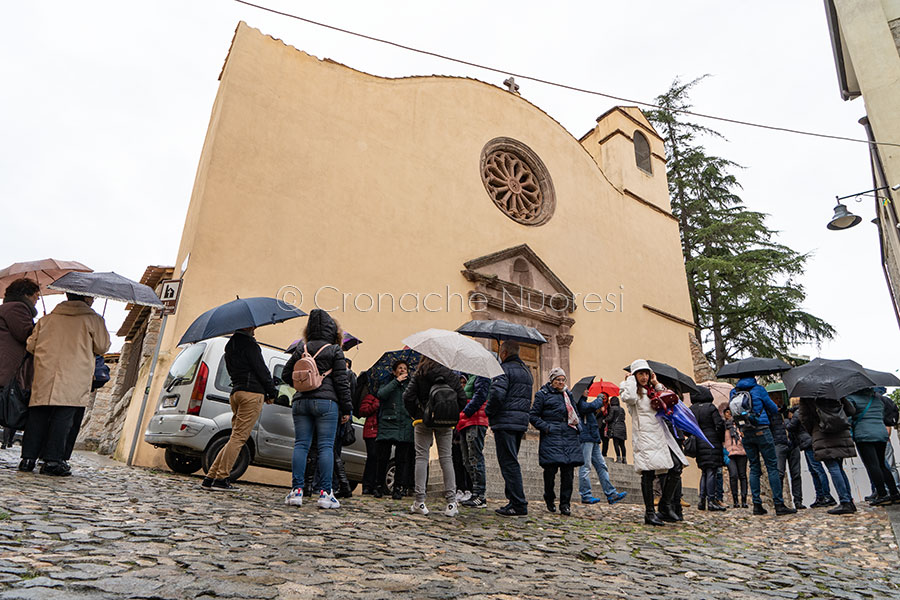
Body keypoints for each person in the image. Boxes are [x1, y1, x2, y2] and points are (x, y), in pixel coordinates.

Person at [21, 293, 110, 475]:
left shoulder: (47, 319)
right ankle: (53, 461)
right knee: (64, 418)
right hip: (75, 375)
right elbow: (102, 347)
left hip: (46, 372)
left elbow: (31, 345)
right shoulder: (94, 320)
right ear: (86, 299)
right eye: (92, 297)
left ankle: (27, 459)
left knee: (38, 415)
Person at [282, 309, 352, 509]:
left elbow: (287, 374)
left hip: (301, 402)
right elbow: (341, 382)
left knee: (301, 445)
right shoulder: (335, 350)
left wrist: (304, 383)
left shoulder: (300, 348)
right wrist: (347, 408)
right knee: (325, 447)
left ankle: (296, 491)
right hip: (327, 404)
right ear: (333, 330)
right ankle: (325, 494)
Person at [202, 326, 278, 490]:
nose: (255, 329)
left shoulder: (230, 345)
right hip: (251, 394)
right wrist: (271, 391)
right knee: (239, 438)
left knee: (234, 437)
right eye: (253, 326)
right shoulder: (250, 345)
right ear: (246, 326)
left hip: (236, 392)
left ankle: (210, 477)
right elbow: (261, 369)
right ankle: (221, 479)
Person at [619, 359, 688, 526]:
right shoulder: (633, 391)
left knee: (676, 466)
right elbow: (627, 398)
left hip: (661, 435)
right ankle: (649, 513)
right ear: (635, 375)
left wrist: (657, 383)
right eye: (640, 374)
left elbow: (671, 400)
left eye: (646, 373)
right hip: (645, 436)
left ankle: (665, 505)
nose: (644, 377)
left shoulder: (651, 390)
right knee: (648, 473)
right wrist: (629, 380)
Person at [402, 356, 467, 517]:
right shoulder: (450, 374)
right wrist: (450, 412)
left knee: (421, 458)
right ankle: (451, 503)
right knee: (446, 457)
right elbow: (462, 399)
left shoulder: (420, 373)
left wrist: (416, 413)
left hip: (422, 419)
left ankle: (420, 501)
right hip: (445, 421)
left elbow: (407, 396)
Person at [729, 376, 795, 516]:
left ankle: (757, 505)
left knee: (753, 467)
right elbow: (772, 409)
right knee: (772, 466)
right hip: (762, 429)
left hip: (746, 432)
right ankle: (778, 504)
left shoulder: (734, 392)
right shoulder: (759, 389)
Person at [485, 340, 533, 517]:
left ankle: (518, 504)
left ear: (504, 353)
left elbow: (497, 394)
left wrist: (489, 411)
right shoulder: (527, 371)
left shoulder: (503, 370)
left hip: (505, 421)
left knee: (508, 463)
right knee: (511, 461)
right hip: (519, 422)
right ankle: (513, 501)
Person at [798, 396, 857, 515]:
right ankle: (849, 500)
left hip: (822, 434)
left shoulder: (807, 396)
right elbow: (851, 411)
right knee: (839, 468)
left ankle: (845, 501)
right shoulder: (834, 392)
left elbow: (804, 418)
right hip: (840, 431)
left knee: (833, 467)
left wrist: (814, 430)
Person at [0, 278, 40, 450]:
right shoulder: (17, 308)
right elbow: (25, 334)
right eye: (36, 296)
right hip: (7, 365)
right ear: (26, 294)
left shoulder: (7, 307)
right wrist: (40, 327)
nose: (37, 300)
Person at [846, 388, 900, 505]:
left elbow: (848, 419)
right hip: (881, 434)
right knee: (882, 464)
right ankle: (894, 493)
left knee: (872, 465)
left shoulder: (851, 399)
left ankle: (882, 494)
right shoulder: (877, 398)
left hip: (864, 435)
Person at [576, 390, 627, 505]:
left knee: (602, 466)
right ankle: (586, 495)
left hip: (593, 438)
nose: (587, 391)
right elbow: (587, 407)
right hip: (586, 438)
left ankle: (611, 493)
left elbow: (591, 411)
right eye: (585, 390)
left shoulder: (586, 404)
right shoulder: (580, 403)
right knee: (586, 467)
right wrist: (599, 399)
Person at [373, 360, 414, 499]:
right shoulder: (388, 382)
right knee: (382, 458)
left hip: (405, 425)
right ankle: (378, 486)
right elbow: (381, 395)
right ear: (394, 371)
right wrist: (396, 381)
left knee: (401, 460)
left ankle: (398, 488)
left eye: (405, 368)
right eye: (400, 368)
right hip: (388, 424)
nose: (403, 370)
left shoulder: (410, 385)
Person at [785, 404, 835, 508]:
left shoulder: (797, 413)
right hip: (809, 442)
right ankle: (820, 496)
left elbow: (791, 427)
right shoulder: (806, 410)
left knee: (817, 469)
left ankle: (826, 496)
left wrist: (786, 420)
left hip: (808, 443)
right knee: (814, 470)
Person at [689, 386, 727, 511]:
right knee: (711, 471)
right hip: (711, 441)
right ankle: (711, 500)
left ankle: (702, 500)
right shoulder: (710, 408)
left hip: (698, 441)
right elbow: (719, 424)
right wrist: (720, 439)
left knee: (704, 471)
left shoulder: (691, 409)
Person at [767, 385, 804, 509]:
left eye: (779, 396)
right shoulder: (770, 413)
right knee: (780, 473)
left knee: (796, 474)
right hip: (779, 443)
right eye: (775, 397)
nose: (778, 399)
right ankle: (779, 501)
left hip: (793, 443)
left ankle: (798, 500)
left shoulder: (789, 412)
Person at [458, 373, 490, 508]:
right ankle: (474, 493)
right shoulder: (471, 377)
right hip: (466, 421)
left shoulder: (482, 376)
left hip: (476, 420)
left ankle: (480, 495)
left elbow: (480, 396)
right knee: (467, 460)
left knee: (475, 458)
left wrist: (465, 411)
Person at [451, 373, 473, 502]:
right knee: (457, 462)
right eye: (460, 383)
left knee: (467, 462)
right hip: (454, 434)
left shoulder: (470, 398)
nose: (462, 386)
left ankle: (469, 489)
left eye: (464, 383)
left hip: (465, 431)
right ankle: (459, 488)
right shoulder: (454, 398)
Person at [723, 408, 748, 508]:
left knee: (742, 475)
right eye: (726, 413)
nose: (728, 415)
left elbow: (746, 436)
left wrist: (742, 436)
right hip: (729, 453)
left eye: (729, 413)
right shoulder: (724, 427)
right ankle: (735, 500)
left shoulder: (740, 424)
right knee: (733, 475)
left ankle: (744, 499)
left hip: (741, 451)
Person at [358, 385, 380, 495]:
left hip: (381, 431)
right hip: (371, 431)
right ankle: (367, 485)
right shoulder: (370, 397)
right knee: (372, 457)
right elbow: (363, 411)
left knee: (378, 459)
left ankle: (375, 485)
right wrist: (376, 405)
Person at [607, 396, 628, 464]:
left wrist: (605, 420)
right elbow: (623, 417)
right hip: (622, 427)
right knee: (622, 444)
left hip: (615, 427)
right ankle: (624, 459)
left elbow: (610, 417)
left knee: (616, 443)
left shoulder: (612, 408)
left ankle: (618, 458)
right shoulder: (622, 409)